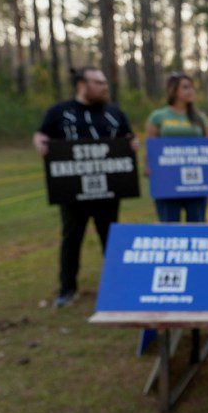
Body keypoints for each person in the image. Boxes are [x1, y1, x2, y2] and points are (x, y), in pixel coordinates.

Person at [33, 67, 135, 308]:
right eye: (98, 82)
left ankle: (118, 287)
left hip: (108, 190)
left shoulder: (114, 113)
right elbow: (41, 135)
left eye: (104, 82)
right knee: (71, 238)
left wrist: (133, 144)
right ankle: (68, 289)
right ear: (82, 84)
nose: (104, 87)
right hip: (72, 190)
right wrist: (40, 144)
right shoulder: (60, 112)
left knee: (111, 237)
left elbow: (128, 137)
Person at [145, 73, 208, 222]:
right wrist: (149, 166)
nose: (190, 91)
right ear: (173, 90)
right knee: (169, 224)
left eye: (192, 87)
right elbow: (151, 146)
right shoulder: (158, 116)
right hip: (167, 178)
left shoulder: (200, 118)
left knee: (198, 224)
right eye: (185, 87)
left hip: (196, 179)